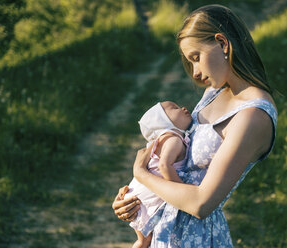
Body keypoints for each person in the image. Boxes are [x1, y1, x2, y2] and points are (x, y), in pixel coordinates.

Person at [112, 4, 278, 247]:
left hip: (197, 239)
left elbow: (201, 203)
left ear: (223, 43)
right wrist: (136, 200)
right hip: (163, 231)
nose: (196, 73)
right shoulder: (215, 92)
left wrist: (142, 175)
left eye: (196, 58)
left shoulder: (253, 115)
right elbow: (179, 158)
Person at [119, 101, 192, 248]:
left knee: (143, 241)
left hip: (138, 194)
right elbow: (164, 166)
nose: (183, 108)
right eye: (174, 108)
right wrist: (183, 191)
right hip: (144, 199)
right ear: (163, 121)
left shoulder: (164, 140)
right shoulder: (173, 139)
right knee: (145, 241)